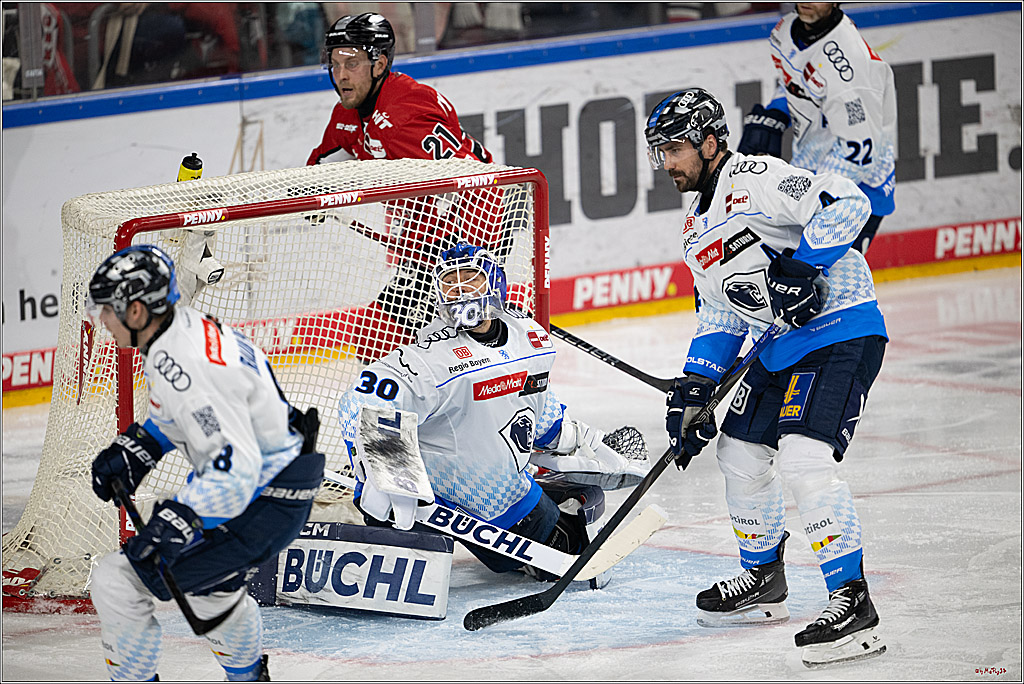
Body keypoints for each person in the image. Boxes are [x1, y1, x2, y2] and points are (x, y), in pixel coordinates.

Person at [646, 88, 887, 666]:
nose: (666, 163)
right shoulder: (694, 227)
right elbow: (721, 312)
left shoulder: (756, 176)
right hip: (776, 348)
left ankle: (852, 600)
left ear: (710, 143)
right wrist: (695, 388)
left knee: (805, 459)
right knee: (739, 452)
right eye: (660, 152)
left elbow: (846, 203)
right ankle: (763, 578)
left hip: (838, 330)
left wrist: (804, 265)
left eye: (674, 149)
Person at [336, 242, 649, 578]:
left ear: (495, 283)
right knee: (403, 571)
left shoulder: (529, 338)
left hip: (501, 496)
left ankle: (557, 495)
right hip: (427, 503)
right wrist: (388, 472)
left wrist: (580, 441)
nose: (459, 289)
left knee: (565, 552)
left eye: (471, 277)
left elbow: (538, 411)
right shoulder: (430, 358)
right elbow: (360, 401)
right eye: (449, 282)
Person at [87, 245, 324, 682]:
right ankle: (249, 677)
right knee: (208, 587)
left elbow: (236, 470)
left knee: (116, 581)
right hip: (281, 484)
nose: (101, 319)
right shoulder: (181, 331)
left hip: (264, 497)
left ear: (136, 311)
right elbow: (180, 416)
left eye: (107, 309)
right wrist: (141, 446)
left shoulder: (188, 363)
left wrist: (179, 521)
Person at [307, 12, 501, 364]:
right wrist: (310, 196)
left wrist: (472, 262)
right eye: (334, 64)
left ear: (379, 64)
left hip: (469, 239)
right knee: (373, 340)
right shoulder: (347, 115)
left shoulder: (406, 114)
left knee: (461, 351)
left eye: (351, 63)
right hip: (423, 250)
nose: (341, 75)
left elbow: (476, 183)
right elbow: (318, 170)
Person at [737, 2, 896, 254]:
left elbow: (859, 154)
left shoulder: (850, 70)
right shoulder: (785, 31)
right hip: (811, 170)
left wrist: (805, 194)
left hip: (858, 192)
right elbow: (795, 82)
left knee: (817, 274)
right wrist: (775, 113)